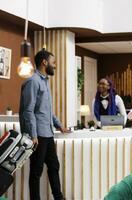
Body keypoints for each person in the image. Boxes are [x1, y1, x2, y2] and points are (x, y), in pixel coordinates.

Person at [19, 50, 69, 200]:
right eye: (53, 62)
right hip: (38, 135)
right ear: (44, 62)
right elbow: (28, 111)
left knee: (54, 166)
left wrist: (59, 125)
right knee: (36, 171)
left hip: (48, 133)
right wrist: (33, 135)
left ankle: (58, 198)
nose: (55, 66)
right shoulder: (33, 81)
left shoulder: (45, 81)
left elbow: (46, 111)